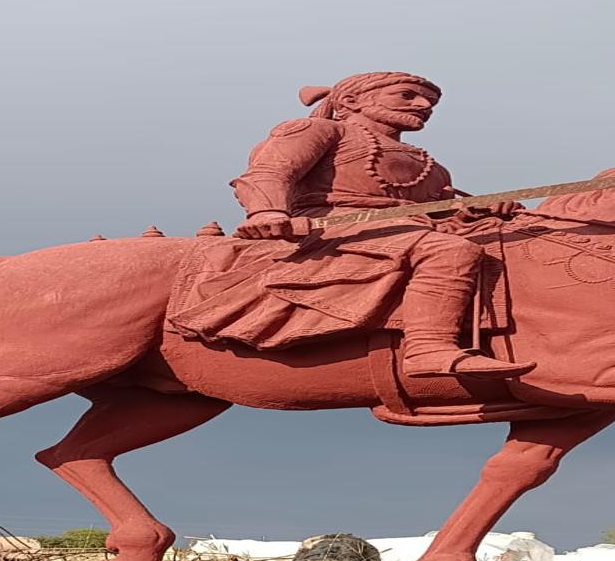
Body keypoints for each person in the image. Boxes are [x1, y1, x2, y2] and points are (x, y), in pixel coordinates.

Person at [229, 71, 535, 379]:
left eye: (430, 102)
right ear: (352, 100)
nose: (422, 105)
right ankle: (427, 350)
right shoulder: (322, 131)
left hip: (408, 231)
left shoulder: (434, 168)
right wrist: (267, 215)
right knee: (450, 252)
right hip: (334, 225)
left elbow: (438, 215)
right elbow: (268, 173)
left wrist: (475, 213)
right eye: (407, 95)